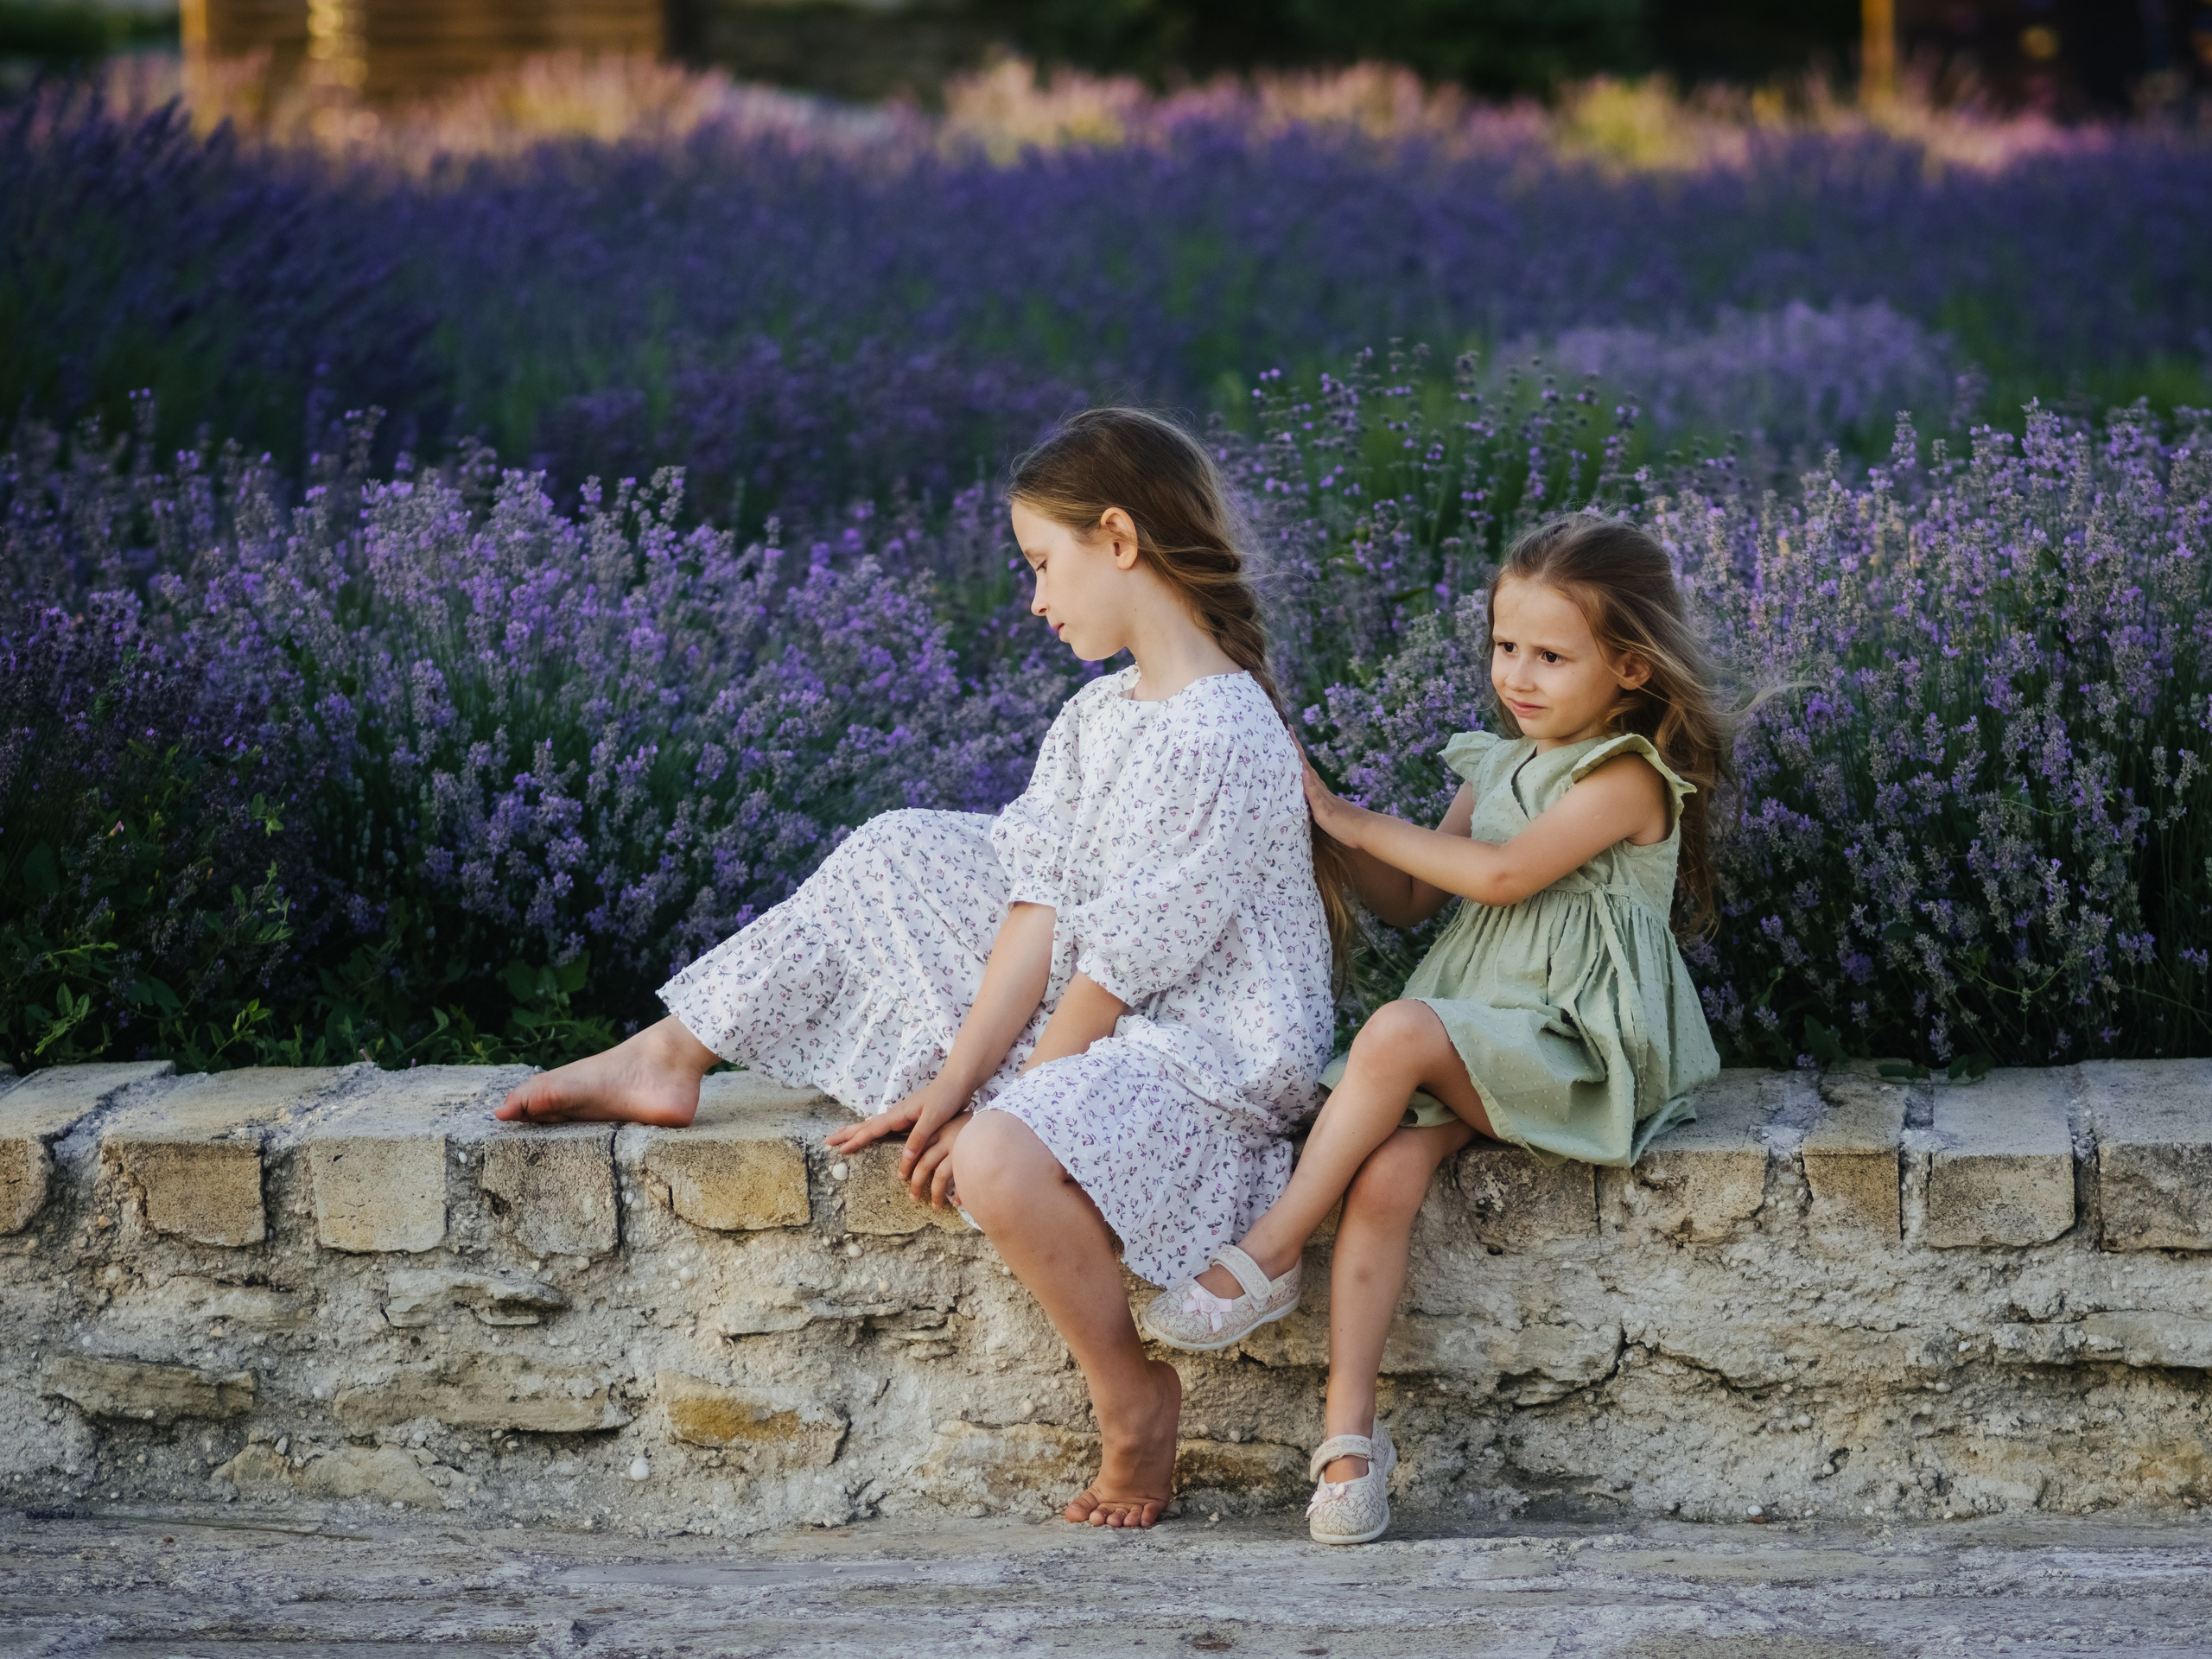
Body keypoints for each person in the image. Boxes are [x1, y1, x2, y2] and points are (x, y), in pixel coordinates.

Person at [496, 407, 1346, 1530]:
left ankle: (1132, 1397)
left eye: (1045, 566)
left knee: (996, 1158)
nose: (1036, 600)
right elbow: (1037, 912)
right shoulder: (1101, 716)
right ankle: (670, 1051)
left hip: (1207, 1054)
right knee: (899, 844)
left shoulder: (1224, 732)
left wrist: (1010, 1103)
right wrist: (950, 1085)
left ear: (1121, 540)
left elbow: (1122, 971)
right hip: (1118, 998)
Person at [1142, 514, 1726, 1545]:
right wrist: (1317, 812)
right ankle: (1349, 1447)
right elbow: (1414, 900)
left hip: (1575, 1046)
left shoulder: (1624, 776)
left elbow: (1501, 877)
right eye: (1506, 647)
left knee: (1398, 1031)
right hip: (1481, 1033)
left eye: (1552, 655)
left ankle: (1269, 1249)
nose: (1519, 674)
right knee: (1385, 1177)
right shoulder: (1493, 765)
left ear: (1630, 667)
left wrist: (1358, 819)